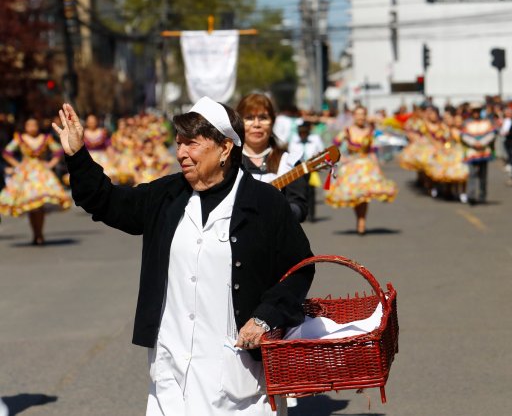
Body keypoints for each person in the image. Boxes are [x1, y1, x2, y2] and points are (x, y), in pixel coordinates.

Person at [52, 98, 315, 415]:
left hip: (239, 374)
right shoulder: (167, 195)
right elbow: (106, 201)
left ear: (225, 148)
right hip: (172, 368)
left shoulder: (265, 202)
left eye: (192, 143)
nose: (181, 153)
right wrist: (78, 155)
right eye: (178, 143)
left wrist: (265, 318)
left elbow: (299, 269)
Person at [325, 105, 398, 235]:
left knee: (364, 195)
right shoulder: (347, 131)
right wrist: (342, 158)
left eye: (363, 114)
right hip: (351, 166)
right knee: (355, 195)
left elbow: (373, 151)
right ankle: (359, 218)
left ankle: (362, 220)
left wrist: (377, 167)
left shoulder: (370, 131)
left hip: (366, 166)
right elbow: (334, 145)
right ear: (354, 116)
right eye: (358, 114)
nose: (360, 117)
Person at [236, 93, 309, 222]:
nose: (256, 124)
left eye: (263, 118)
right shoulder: (228, 162)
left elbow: (300, 208)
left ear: (272, 122)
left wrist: (280, 210)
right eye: (249, 118)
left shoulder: (289, 163)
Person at [0, 117, 71, 244]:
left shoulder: (45, 138)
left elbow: (58, 151)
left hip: (41, 173)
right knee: (31, 206)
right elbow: (7, 152)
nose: (32, 127)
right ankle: (36, 233)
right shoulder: (20, 138)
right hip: (26, 174)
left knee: (39, 206)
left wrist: (51, 164)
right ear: (25, 127)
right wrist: (17, 165)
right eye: (29, 125)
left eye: (34, 125)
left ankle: (39, 233)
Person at [289, 121, 325, 222]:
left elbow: (321, 152)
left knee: (311, 191)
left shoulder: (315, 140)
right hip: (298, 170)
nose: (303, 135)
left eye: (305, 132)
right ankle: (302, 212)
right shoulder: (293, 142)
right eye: (301, 133)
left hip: (311, 169)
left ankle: (311, 214)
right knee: (300, 191)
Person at [460, 106, 496, 205]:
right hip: (472, 152)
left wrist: (482, 143)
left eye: (477, 111)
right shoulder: (467, 123)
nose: (476, 113)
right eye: (474, 111)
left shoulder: (486, 122)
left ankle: (482, 195)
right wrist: (474, 143)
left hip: (483, 152)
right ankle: (471, 195)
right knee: (472, 174)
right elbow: (464, 135)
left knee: (483, 175)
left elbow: (491, 134)